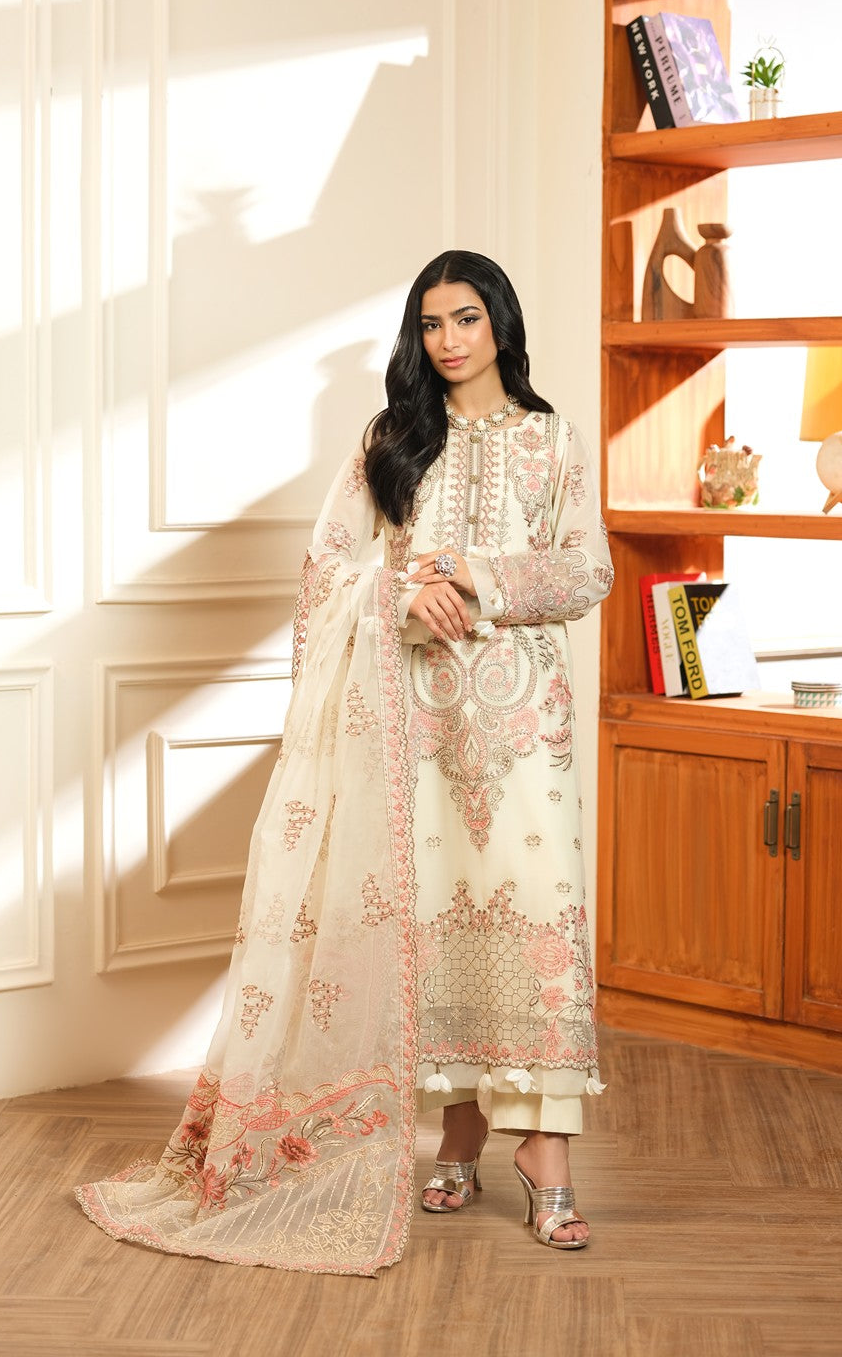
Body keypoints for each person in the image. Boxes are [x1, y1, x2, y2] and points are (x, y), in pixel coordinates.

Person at [76, 251, 614, 1275]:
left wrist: (474, 575)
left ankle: (546, 1153)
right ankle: (457, 1135)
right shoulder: (391, 440)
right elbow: (328, 570)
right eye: (431, 324)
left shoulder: (552, 441)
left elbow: (587, 570)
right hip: (406, 718)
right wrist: (401, 592)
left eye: (466, 318)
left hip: (521, 733)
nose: (448, 340)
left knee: (535, 923)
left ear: (500, 322)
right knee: (430, 923)